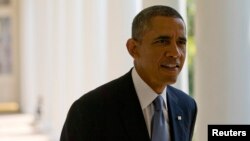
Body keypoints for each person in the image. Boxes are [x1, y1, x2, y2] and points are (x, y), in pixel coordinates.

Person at [60, 5, 197, 141]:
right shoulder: (89, 111)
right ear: (133, 49)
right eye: (162, 41)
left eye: (181, 42)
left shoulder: (187, 106)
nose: (175, 52)